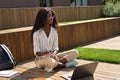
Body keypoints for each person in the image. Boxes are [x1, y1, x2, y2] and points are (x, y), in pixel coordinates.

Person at [31, 7, 78, 72]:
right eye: (49, 16)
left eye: (52, 15)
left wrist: (53, 55)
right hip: (41, 60)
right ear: (43, 18)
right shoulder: (37, 33)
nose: (52, 17)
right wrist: (45, 54)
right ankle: (64, 65)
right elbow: (36, 52)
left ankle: (54, 65)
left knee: (75, 52)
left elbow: (55, 48)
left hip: (53, 57)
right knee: (49, 60)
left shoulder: (54, 31)